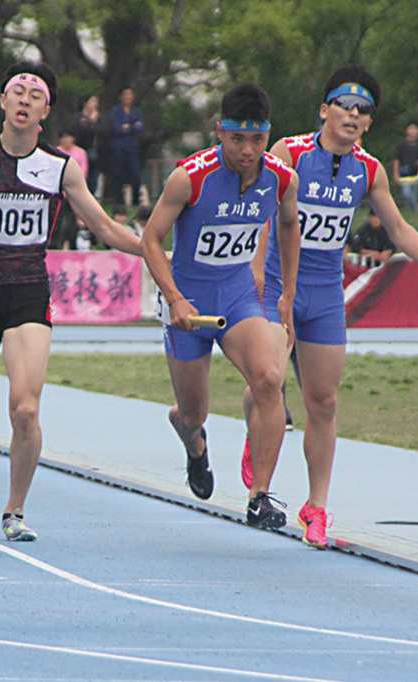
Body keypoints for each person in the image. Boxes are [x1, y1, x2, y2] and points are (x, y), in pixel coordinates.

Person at [0, 62, 143, 541]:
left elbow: (104, 228)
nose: (23, 98)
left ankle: (14, 511)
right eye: (16, 91)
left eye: (34, 93)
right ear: (2, 102)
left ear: (46, 110)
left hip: (27, 297)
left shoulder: (62, 167)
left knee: (25, 408)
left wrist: (155, 251)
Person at [250, 66, 418, 548]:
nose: (353, 114)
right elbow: (262, 213)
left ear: (368, 124)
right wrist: (258, 270)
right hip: (279, 284)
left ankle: (316, 507)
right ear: (325, 110)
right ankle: (259, 444)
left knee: (323, 402)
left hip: (323, 292)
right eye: (345, 104)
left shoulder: (369, 169)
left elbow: (399, 228)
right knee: (268, 381)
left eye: (363, 110)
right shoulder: (290, 152)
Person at [140, 83, 301, 530]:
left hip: (237, 296)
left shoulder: (282, 178)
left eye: (257, 139)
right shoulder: (189, 177)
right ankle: (192, 440)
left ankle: (259, 497)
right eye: (237, 139)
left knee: (270, 379)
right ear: (219, 132)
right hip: (189, 307)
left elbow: (290, 226)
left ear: (268, 134)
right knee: (195, 413)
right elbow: (150, 239)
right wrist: (174, 298)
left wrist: (286, 294)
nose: (247, 151)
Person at [107, 86, 145, 206]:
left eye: (130, 95)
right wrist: (131, 127)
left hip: (132, 147)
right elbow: (117, 128)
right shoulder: (115, 112)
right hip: (118, 146)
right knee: (117, 175)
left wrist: (129, 127)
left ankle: (135, 201)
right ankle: (119, 201)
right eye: (125, 95)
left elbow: (140, 128)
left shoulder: (136, 112)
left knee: (135, 175)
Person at [391, 121, 418, 212]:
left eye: (415, 129)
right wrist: (395, 172)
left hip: (416, 172)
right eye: (410, 129)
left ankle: (413, 210)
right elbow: (396, 158)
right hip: (404, 172)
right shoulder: (401, 144)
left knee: (414, 193)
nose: (412, 131)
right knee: (407, 193)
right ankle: (417, 208)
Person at [69, 95, 103, 196]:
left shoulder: (99, 118)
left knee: (94, 175)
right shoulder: (78, 118)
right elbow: (77, 130)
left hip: (95, 149)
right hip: (80, 149)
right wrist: (91, 123)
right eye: (92, 101)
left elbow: (103, 130)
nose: (94, 104)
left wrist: (91, 123)